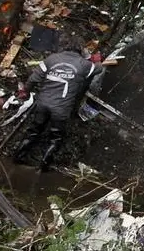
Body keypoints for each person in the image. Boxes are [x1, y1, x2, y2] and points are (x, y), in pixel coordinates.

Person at [12, 41, 105, 171]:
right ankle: (42, 168)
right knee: (55, 137)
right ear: (80, 51)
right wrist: (96, 60)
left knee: (33, 131)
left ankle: (17, 159)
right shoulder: (84, 64)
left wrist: (25, 92)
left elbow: (33, 79)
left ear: (64, 48)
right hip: (62, 108)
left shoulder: (52, 59)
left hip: (43, 103)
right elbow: (99, 69)